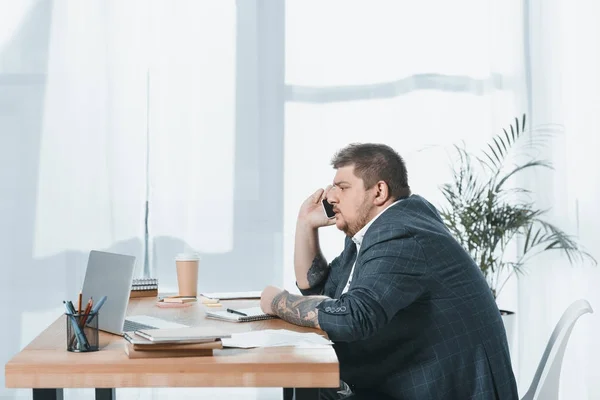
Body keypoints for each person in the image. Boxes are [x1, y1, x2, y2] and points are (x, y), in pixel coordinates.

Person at [260, 143, 519, 400]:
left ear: (379, 191)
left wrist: (276, 301)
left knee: (314, 389)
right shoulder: (375, 230)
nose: (330, 196)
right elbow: (323, 292)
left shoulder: (400, 234)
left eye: (343, 187)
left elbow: (353, 318)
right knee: (314, 387)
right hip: (409, 380)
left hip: (444, 391)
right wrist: (305, 224)